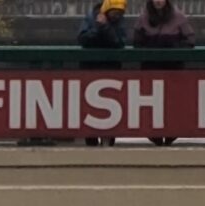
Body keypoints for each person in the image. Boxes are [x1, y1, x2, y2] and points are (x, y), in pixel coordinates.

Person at [133, 0, 194, 146]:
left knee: (173, 102)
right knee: (150, 104)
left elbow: (190, 41)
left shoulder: (179, 17)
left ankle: (172, 131)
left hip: (173, 69)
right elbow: (137, 42)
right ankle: (154, 133)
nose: (158, 1)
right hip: (150, 70)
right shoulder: (143, 18)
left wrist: (175, 49)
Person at [79, 0, 127, 147]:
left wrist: (105, 27)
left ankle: (109, 140)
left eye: (119, 13)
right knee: (88, 110)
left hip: (112, 71)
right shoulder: (90, 18)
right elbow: (83, 39)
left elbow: (119, 42)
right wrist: (98, 28)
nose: (116, 15)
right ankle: (90, 141)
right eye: (114, 12)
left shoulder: (120, 22)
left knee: (112, 110)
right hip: (90, 69)